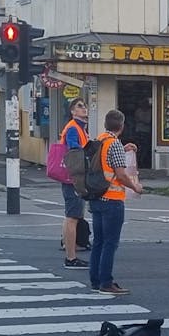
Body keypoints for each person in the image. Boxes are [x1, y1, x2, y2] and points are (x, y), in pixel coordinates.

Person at [89, 109, 144, 295]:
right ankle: (106, 282)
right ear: (122, 126)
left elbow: (105, 162)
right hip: (112, 200)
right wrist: (135, 187)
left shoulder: (99, 140)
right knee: (110, 243)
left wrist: (124, 148)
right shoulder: (115, 144)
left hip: (96, 196)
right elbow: (120, 174)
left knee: (98, 241)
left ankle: (95, 280)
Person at [58, 99, 91, 269]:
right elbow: (74, 149)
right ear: (72, 111)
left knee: (75, 216)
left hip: (75, 176)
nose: (84, 108)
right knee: (72, 217)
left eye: (84, 105)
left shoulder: (80, 128)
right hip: (73, 177)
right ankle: (70, 258)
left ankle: (72, 250)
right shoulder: (73, 127)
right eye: (79, 106)